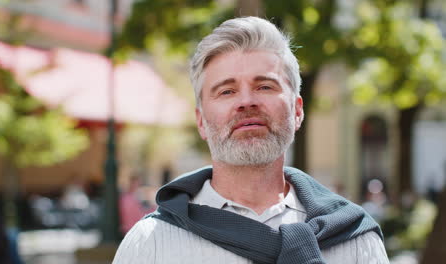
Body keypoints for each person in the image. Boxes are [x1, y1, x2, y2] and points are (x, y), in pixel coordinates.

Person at [113, 16, 389, 263]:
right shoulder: (152, 244)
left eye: (264, 86)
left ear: (297, 110)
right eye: (227, 91)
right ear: (201, 122)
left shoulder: (355, 241)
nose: (246, 102)